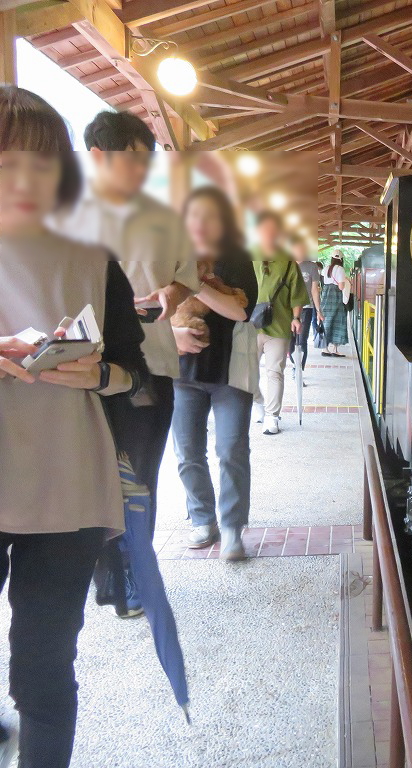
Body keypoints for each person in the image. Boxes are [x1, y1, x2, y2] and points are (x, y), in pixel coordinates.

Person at [0, 86, 147, 768]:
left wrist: (97, 376)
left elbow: (132, 372)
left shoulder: (93, 260)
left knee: (43, 665)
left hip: (66, 489)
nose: (26, 179)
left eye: (40, 162)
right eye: (7, 163)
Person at [55, 109, 198, 617]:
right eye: (134, 162)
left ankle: (134, 576)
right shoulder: (64, 215)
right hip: (74, 376)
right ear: (98, 157)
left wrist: (171, 294)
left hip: (150, 366)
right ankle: (106, 577)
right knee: (91, 477)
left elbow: (188, 279)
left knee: (137, 477)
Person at [172, 187, 259, 561]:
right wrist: (172, 334)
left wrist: (196, 284)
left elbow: (240, 310)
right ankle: (202, 518)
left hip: (229, 373)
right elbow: (152, 309)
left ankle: (231, 527)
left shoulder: (236, 257)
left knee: (231, 448)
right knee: (187, 451)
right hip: (181, 373)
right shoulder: (172, 257)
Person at [252, 211, 307, 436]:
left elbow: (297, 294)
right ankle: (258, 404)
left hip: (279, 326)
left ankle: (272, 416)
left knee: (275, 372)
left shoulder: (287, 263)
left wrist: (296, 318)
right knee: (247, 372)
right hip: (248, 326)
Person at [288, 235, 323, 373]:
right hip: (287, 309)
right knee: (289, 342)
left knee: (302, 341)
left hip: (306, 308)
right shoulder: (287, 265)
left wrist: (319, 310)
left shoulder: (311, 266)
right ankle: (293, 363)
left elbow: (315, 290)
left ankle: (299, 370)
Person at [321, 253, 351, 358]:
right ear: (341, 259)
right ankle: (335, 349)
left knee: (326, 321)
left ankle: (325, 348)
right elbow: (341, 286)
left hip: (325, 296)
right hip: (336, 296)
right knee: (338, 321)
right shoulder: (340, 269)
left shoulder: (326, 268)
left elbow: (323, 282)